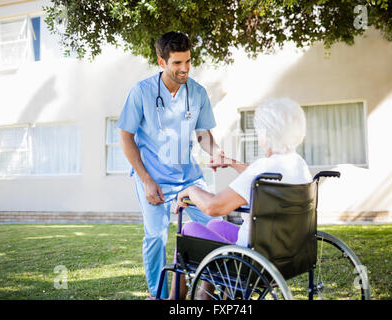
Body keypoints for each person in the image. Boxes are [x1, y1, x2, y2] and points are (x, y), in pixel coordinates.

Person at [117, 31, 229, 300]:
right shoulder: (141, 92)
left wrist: (215, 152)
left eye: (188, 61)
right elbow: (125, 137)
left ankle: (209, 289)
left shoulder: (198, 92)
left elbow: (203, 134)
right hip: (152, 177)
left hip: (188, 178)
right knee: (156, 237)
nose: (184, 69)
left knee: (216, 226)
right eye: (177, 63)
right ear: (161, 62)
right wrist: (145, 179)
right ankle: (160, 296)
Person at [172, 97, 312, 299]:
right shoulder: (297, 164)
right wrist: (231, 163)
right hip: (285, 255)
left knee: (189, 230)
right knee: (214, 226)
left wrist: (191, 189)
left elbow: (214, 206)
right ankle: (206, 295)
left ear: (266, 133)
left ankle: (175, 299)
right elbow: (257, 176)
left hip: (250, 260)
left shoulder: (263, 167)